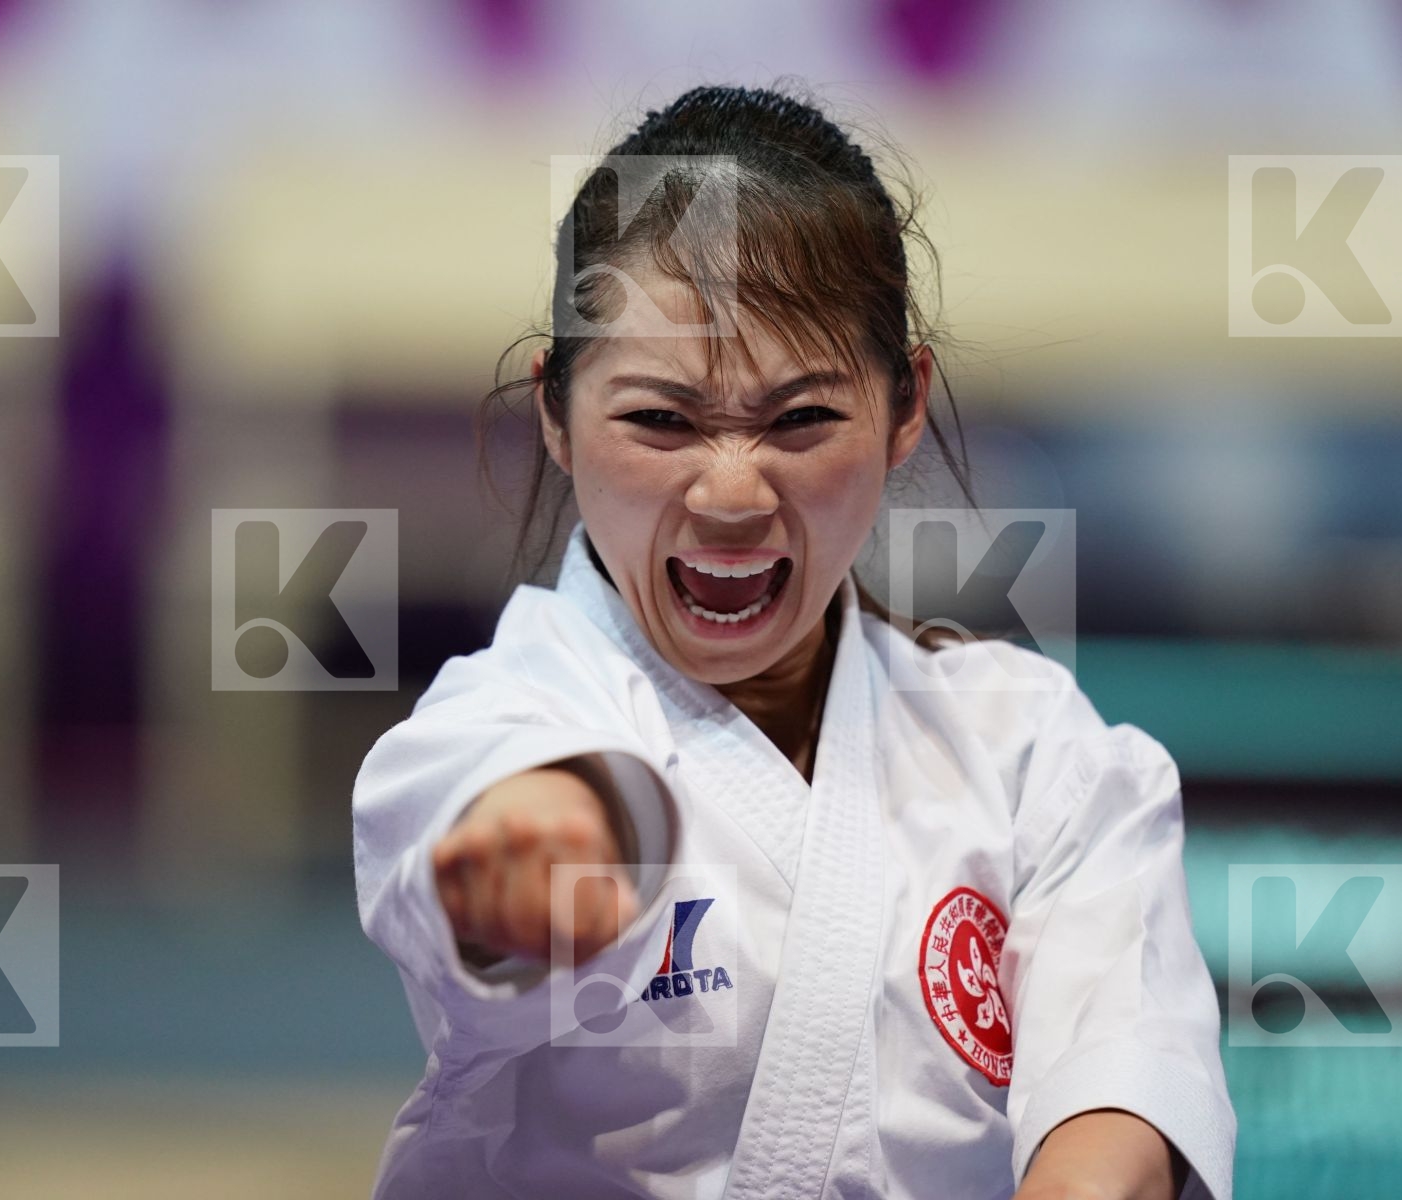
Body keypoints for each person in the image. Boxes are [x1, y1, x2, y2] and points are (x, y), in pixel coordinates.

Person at [352, 84, 1235, 1200]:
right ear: (556, 414)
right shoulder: (486, 734)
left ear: (906, 405)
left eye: (802, 419)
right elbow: (479, 839)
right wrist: (535, 853)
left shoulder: (1035, 756)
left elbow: (1120, 1106)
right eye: (660, 420)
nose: (731, 494)